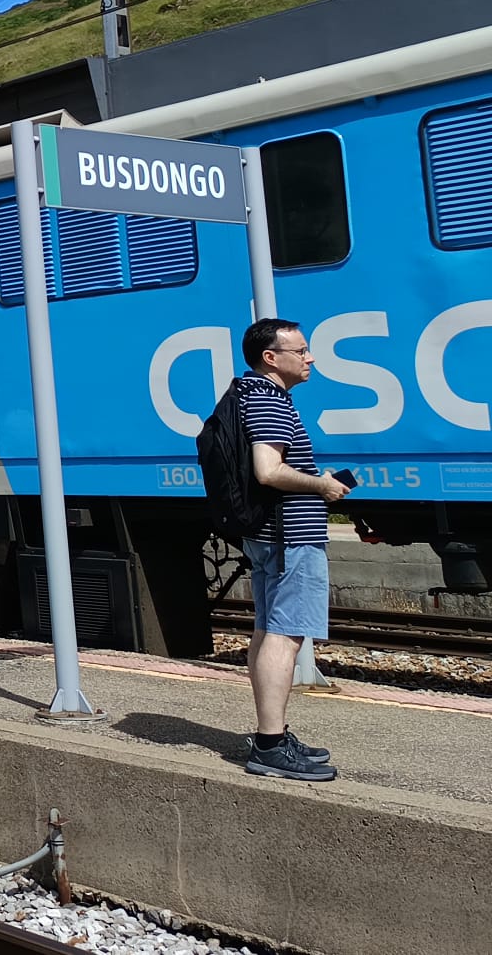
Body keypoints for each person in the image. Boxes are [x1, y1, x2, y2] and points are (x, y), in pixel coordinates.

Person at [238, 318, 346, 783]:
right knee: (286, 635)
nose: (310, 357)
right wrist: (321, 485)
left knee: (268, 629)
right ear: (271, 357)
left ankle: (274, 735)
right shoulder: (270, 401)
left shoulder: (246, 395)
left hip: (268, 533)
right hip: (290, 534)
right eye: (300, 350)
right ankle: (268, 746)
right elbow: (268, 470)